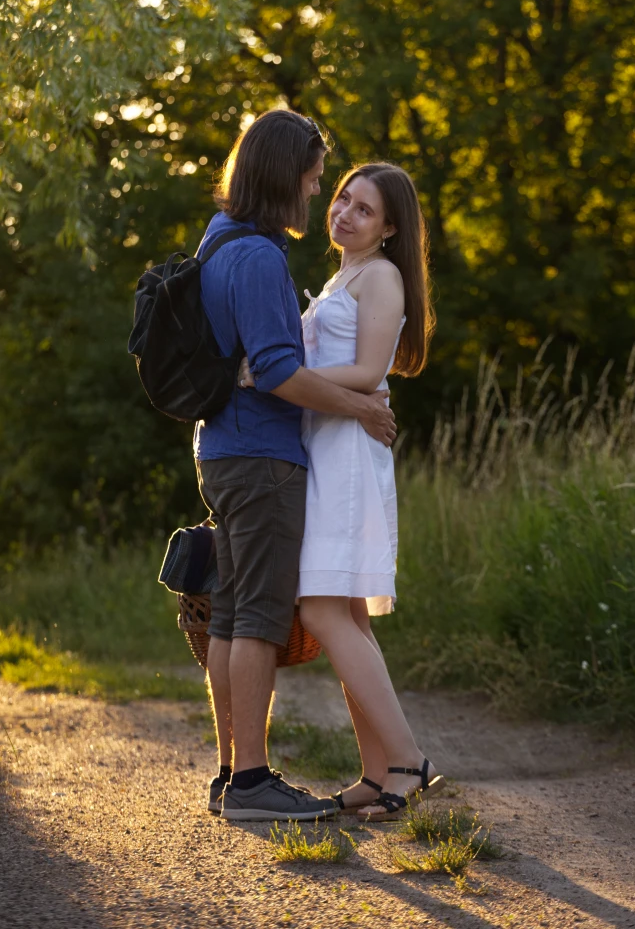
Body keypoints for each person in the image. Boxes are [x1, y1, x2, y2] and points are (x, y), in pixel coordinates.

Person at [194, 110, 397, 823]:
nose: (317, 196)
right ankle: (251, 780)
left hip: (223, 449)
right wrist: (363, 408)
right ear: (284, 177)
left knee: (229, 617)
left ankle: (230, 772)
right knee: (256, 618)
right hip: (261, 458)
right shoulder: (258, 257)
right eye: (313, 183)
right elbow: (278, 370)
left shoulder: (219, 240)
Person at [241, 162, 444, 821]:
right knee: (345, 614)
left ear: (389, 228)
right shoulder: (340, 276)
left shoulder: (382, 277)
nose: (345, 213)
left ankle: (410, 760)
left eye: (364, 209)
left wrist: (271, 375)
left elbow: (366, 370)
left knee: (323, 610)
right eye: (342, 198)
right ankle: (378, 771)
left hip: (349, 454)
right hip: (324, 445)